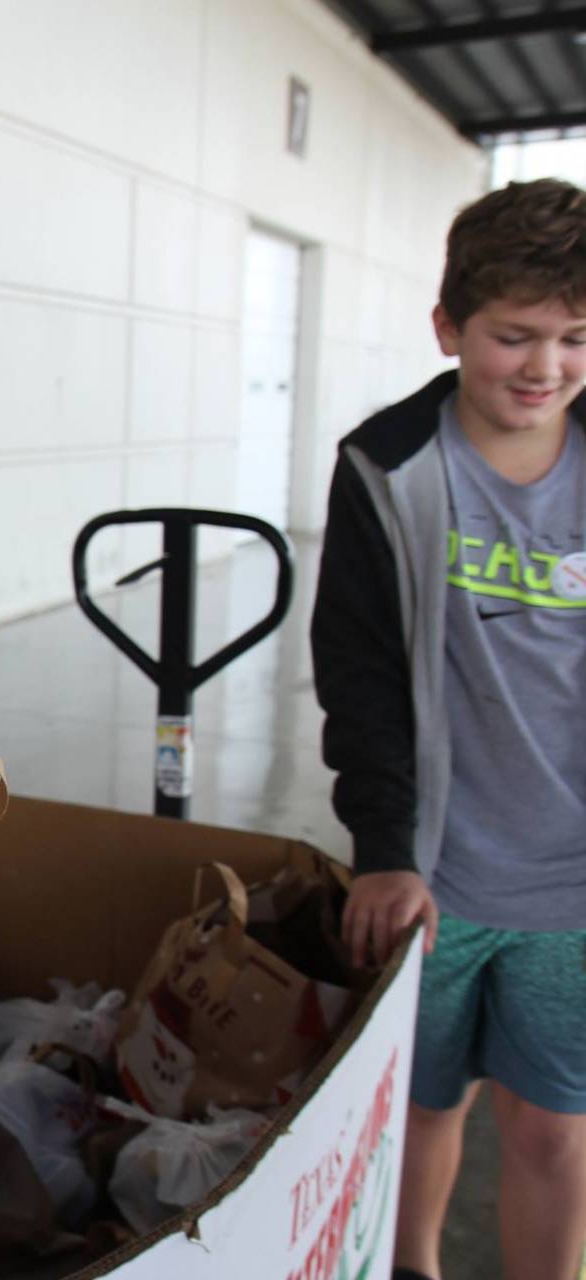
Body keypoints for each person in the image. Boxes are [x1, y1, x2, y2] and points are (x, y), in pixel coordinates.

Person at [312, 177, 586, 1280]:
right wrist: (382, 849)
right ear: (448, 326)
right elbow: (361, 673)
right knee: (421, 1114)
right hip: (436, 876)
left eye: (574, 338)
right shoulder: (387, 467)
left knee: (552, 1130)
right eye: (513, 335)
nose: (545, 367)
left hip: (573, 892)